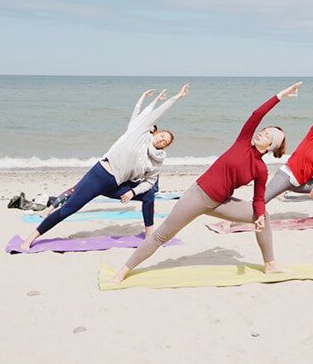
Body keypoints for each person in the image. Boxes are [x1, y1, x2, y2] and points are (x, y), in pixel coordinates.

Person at [109, 82, 301, 283]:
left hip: (221, 203)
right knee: (161, 235)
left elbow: (258, 198)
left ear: (270, 146)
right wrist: (281, 95)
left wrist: (260, 216)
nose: (261, 133)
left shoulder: (260, 169)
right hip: (197, 196)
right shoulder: (243, 142)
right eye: (264, 130)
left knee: (265, 216)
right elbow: (256, 114)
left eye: (267, 135)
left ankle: (270, 264)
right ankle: (124, 269)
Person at [20, 84, 188, 249]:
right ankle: (30, 238)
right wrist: (175, 97)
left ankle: (149, 236)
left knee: (149, 195)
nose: (162, 139)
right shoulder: (140, 133)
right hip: (99, 176)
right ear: (157, 133)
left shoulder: (156, 161)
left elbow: (150, 182)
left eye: (165, 141)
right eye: (163, 136)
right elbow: (157, 113)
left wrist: (132, 191)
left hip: (116, 185)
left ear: (164, 147)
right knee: (70, 209)